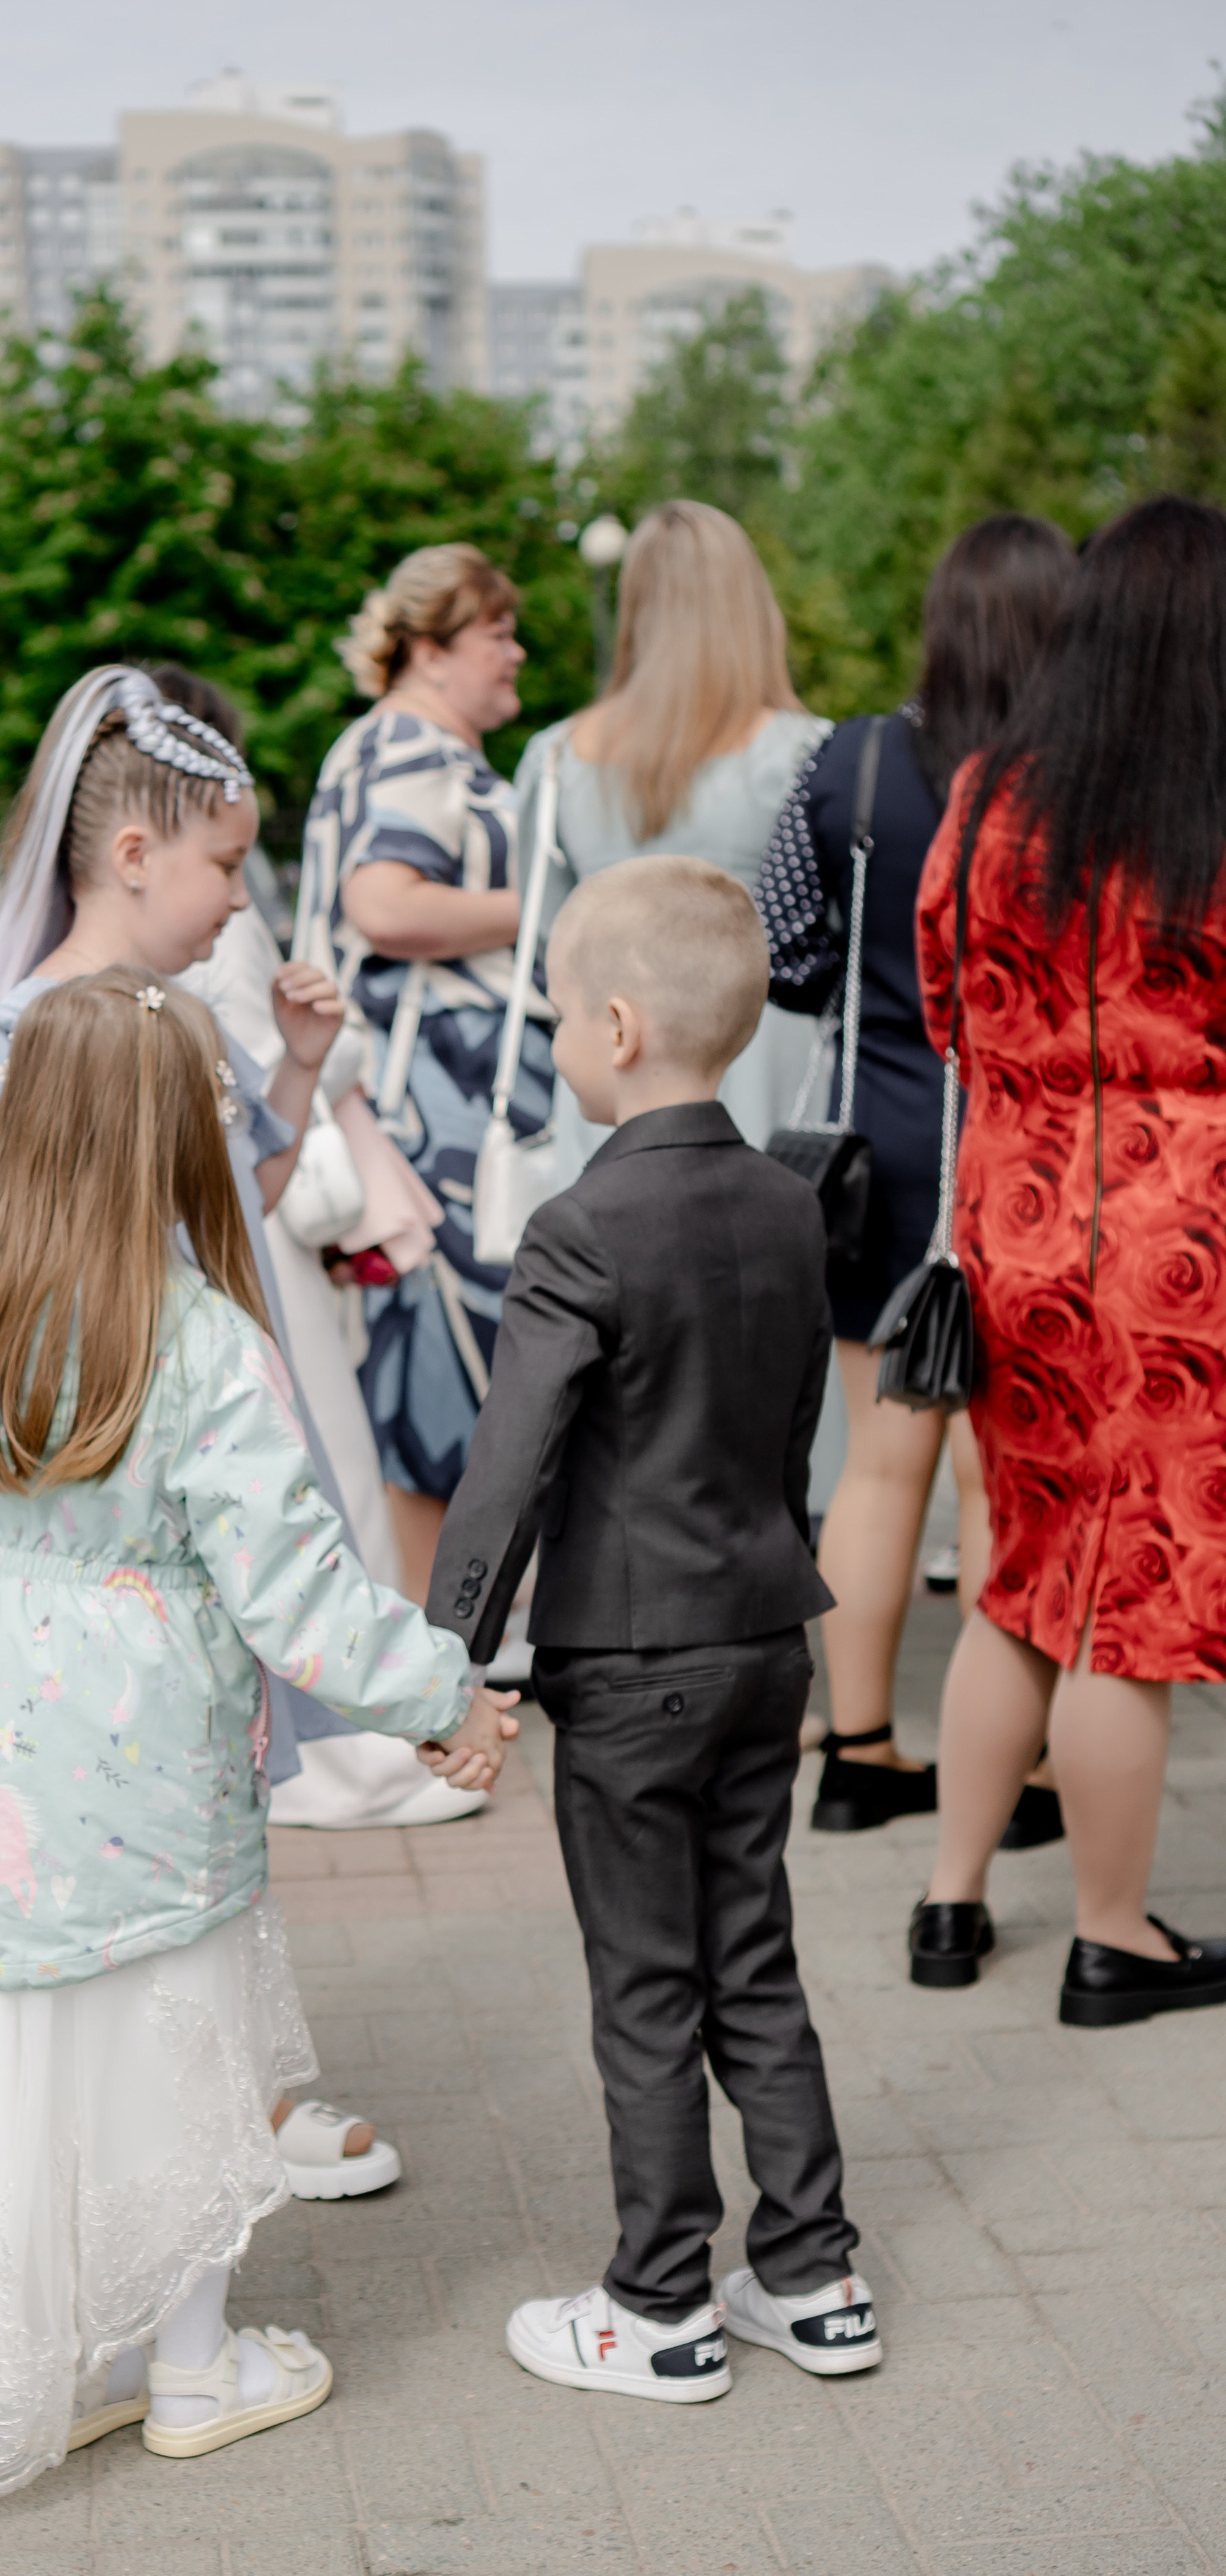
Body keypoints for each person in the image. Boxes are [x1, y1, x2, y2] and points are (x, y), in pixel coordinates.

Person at [0, 971, 515, 2493]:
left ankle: (74, 2356)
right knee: (171, 2036)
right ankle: (188, 2364)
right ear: (177, 1142)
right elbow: (293, 1589)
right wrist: (442, 1693)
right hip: (147, 1733)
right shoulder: (205, 1339)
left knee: (24, 2027)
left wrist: (27, 1580)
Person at [0, 663, 420, 2196]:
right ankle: (185, 2111)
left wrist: (298, 1076)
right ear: (130, 856)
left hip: (196, 1465)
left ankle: (226, 2092)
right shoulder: (23, 1034)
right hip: (115, 1494)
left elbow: (221, 1212)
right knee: (138, 1806)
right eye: (225, 865)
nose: (240, 902)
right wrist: (132, 1334)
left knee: (201, 1785)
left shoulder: (166, 1018)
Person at [429, 857, 880, 2401]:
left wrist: (448, 1661)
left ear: (614, 1027)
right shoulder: (784, 1202)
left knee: (643, 1982)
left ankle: (658, 2303)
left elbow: (508, 1466)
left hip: (627, 1668)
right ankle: (813, 2277)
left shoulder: (576, 1228)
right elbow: (788, 1429)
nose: (553, 1036)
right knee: (751, 1951)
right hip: (765, 1639)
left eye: (557, 1014)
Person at [909, 496, 1226, 2027]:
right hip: (1187, 1239)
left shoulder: (984, 796)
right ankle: (1112, 1940)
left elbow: (937, 1009)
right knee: (1132, 1597)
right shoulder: (1207, 809)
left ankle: (948, 1899)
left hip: (1013, 1226)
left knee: (1020, 1573)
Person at [754, 516, 1076, 1838]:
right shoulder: (1082, 778)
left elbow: (784, 953)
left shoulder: (852, 758)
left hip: (871, 1161)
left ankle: (861, 1750)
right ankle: (1029, 1767)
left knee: (879, 1470)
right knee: (1003, 1481)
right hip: (1033, 1157)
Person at [148, 664, 475, 1833]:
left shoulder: (167, 926)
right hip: (245, 1233)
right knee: (317, 1472)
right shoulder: (210, 933)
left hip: (237, 1204)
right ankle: (354, 1752)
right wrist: (326, 1062)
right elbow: (246, 1097)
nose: (240, 892)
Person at [303, 543, 551, 1602]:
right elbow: (387, 905)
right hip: (437, 1119)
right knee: (443, 1376)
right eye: (498, 634)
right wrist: (552, 913)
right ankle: (438, 1645)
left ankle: (442, 1637)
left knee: (441, 1373)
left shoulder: (393, 746)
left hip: (431, 1111)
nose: (517, 653)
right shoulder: (412, 750)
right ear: (432, 646)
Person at [513, 501, 828, 1175]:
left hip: (612, 1082)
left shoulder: (556, 758)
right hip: (761, 1070)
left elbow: (544, 940)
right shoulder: (806, 754)